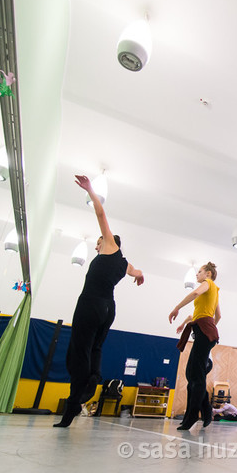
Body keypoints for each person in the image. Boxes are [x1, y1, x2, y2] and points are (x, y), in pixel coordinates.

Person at [54, 175, 144, 428]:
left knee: (78, 352)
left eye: (98, 243)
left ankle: (81, 393)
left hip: (91, 303)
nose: (96, 247)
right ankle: (90, 382)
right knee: (95, 349)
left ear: (108, 242)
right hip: (108, 308)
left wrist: (90, 189)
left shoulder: (109, 247)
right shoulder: (125, 263)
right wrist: (141, 276)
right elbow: (136, 272)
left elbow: (101, 214)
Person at [171, 262, 221, 430]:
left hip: (205, 333)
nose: (196, 274)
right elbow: (216, 314)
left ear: (208, 274)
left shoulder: (208, 284)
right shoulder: (213, 291)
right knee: (191, 375)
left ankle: (193, 416)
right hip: (205, 331)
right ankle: (204, 411)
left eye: (199, 272)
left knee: (196, 377)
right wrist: (188, 323)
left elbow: (194, 293)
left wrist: (177, 307)